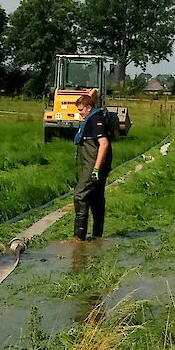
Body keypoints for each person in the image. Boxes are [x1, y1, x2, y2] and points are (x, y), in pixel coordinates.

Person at [72, 91, 113, 240]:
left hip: (93, 165)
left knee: (80, 196)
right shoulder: (91, 119)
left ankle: (78, 238)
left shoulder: (96, 119)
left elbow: (104, 143)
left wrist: (96, 168)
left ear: (89, 107)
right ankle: (97, 236)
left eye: (81, 110)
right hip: (90, 164)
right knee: (96, 198)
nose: (80, 113)